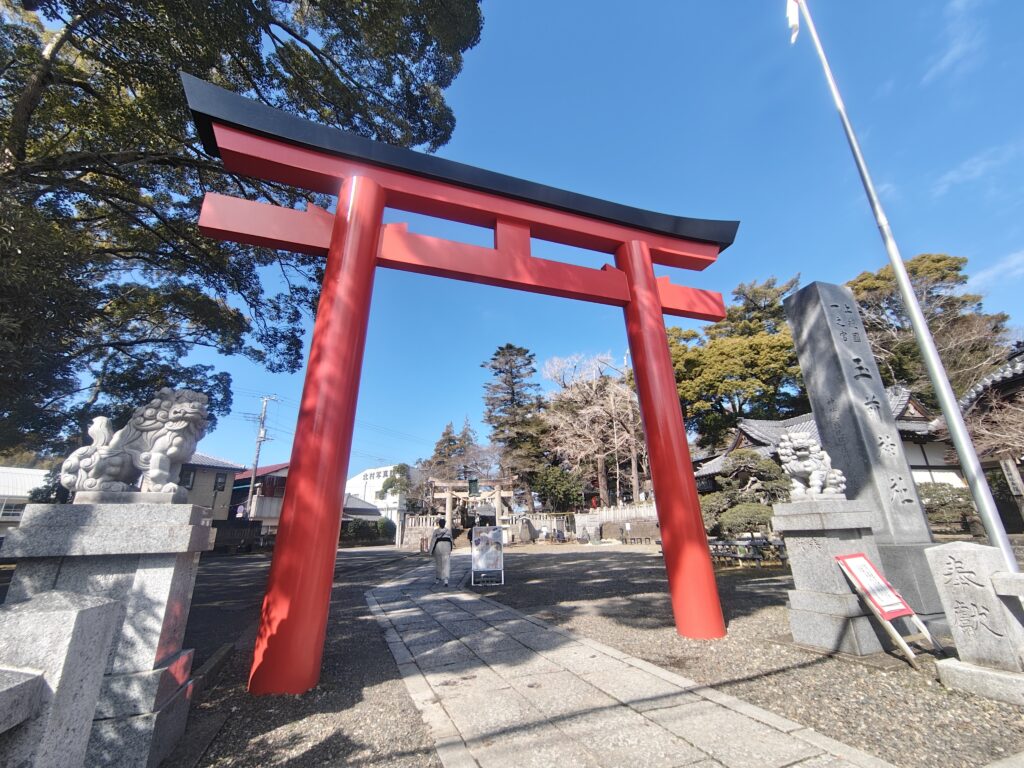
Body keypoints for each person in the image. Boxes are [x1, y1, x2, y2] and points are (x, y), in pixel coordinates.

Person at [429, 518, 453, 587]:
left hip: (438, 549)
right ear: (444, 524)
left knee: (438, 564)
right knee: (446, 564)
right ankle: (446, 580)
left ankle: (438, 578)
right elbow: (451, 541)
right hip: (446, 549)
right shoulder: (448, 531)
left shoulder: (436, 531)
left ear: (439, 524)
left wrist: (431, 551)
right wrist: (450, 549)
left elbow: (433, 541)